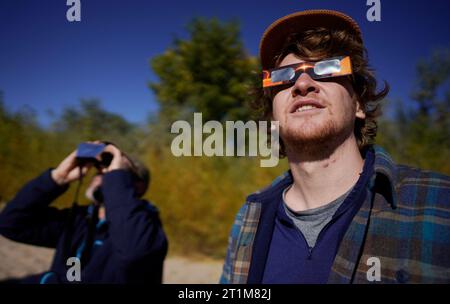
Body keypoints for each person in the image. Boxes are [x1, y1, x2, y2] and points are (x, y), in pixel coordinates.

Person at [220, 10, 450, 284]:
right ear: (272, 115)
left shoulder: (439, 206)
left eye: (327, 68)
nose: (302, 84)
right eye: (284, 76)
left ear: (359, 104)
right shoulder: (250, 217)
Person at [0, 142, 168, 284]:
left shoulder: (146, 227)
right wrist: (56, 178)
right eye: (99, 171)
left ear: (138, 186)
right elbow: (11, 224)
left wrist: (117, 177)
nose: (99, 175)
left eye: (110, 173)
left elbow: (133, 251)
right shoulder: (81, 219)